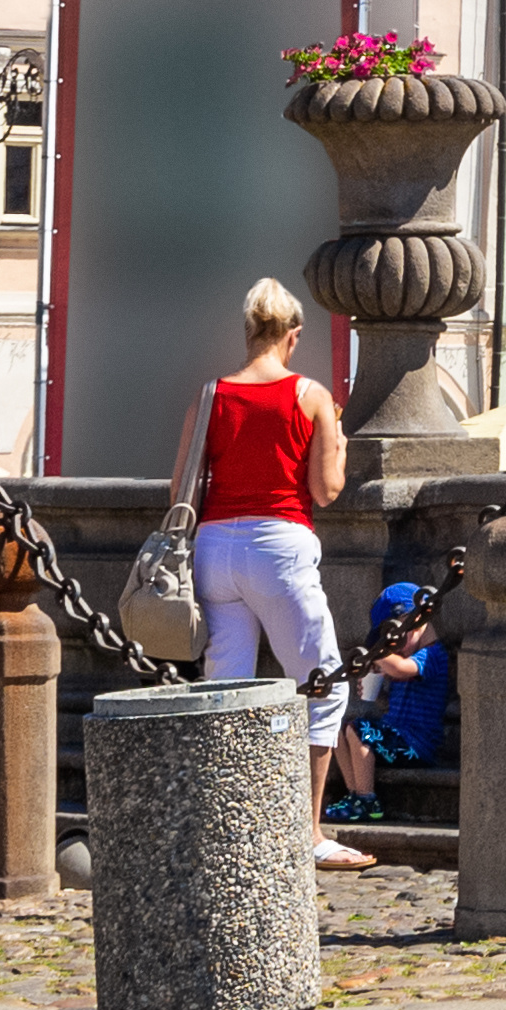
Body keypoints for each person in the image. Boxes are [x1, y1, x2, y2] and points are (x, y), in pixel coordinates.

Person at [162, 281, 374, 873]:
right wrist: (339, 439)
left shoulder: (211, 394)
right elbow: (326, 492)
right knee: (323, 682)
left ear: (249, 331)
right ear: (293, 335)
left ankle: (223, 825)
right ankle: (305, 831)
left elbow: (178, 487)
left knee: (224, 687)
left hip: (213, 549)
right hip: (279, 543)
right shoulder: (309, 396)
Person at [328, 579, 447, 819]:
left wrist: (378, 655)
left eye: (394, 641)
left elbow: (402, 669)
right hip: (396, 737)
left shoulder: (433, 654)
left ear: (413, 623)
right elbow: (395, 689)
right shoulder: (411, 655)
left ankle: (367, 799)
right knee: (337, 729)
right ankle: (354, 794)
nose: (394, 648)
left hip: (416, 746)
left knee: (359, 730)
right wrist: (376, 689)